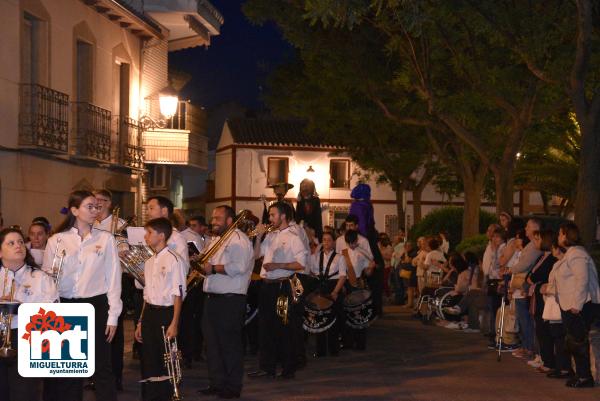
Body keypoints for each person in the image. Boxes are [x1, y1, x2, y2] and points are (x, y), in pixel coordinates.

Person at [42, 190, 121, 401]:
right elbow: (48, 281)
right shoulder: (56, 240)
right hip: (65, 305)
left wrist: (113, 315)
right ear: (75, 210)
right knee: (69, 368)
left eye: (97, 206)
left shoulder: (105, 239)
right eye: (90, 206)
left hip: (96, 306)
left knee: (101, 366)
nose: (95, 210)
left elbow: (113, 279)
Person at [197, 206, 253, 399]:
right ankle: (217, 383)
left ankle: (232, 387)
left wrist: (212, 269)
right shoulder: (216, 240)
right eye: (213, 217)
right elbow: (205, 263)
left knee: (229, 346)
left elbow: (239, 267)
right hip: (212, 299)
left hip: (230, 300)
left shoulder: (239, 240)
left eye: (218, 218)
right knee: (211, 345)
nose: (213, 221)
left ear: (230, 221)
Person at [248, 201, 308, 380]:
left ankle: (289, 368)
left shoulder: (293, 236)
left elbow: (301, 264)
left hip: (283, 287)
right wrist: (258, 237)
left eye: (273, 215)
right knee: (266, 327)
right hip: (267, 286)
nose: (270, 218)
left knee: (284, 327)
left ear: (283, 216)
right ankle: (267, 368)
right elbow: (257, 255)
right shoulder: (271, 235)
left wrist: (278, 265)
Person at [0, 227, 58, 401]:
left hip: (28, 337)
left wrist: (23, 308)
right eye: (11, 243)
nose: (18, 245)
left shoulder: (41, 278)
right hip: (1, 332)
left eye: (20, 242)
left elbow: (53, 313)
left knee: (25, 392)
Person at [134, 217, 187, 401]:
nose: (146, 236)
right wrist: (141, 321)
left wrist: (174, 323)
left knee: (167, 360)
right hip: (149, 313)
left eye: (149, 233)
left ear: (161, 235)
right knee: (148, 359)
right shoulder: (149, 262)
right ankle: (150, 397)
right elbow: (146, 294)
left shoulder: (174, 259)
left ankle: (166, 395)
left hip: (166, 313)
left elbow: (178, 294)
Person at [553, 222, 600, 388]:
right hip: (572, 305)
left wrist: (577, 304)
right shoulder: (571, 253)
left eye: (560, 234)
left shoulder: (577, 253)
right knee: (574, 341)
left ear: (566, 235)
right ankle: (581, 375)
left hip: (580, 305)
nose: (558, 237)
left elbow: (582, 280)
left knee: (578, 342)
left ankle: (585, 377)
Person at [506, 219, 543, 361]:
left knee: (526, 320)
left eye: (528, 226)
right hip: (521, 286)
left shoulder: (534, 246)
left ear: (535, 228)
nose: (526, 229)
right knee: (523, 320)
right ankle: (526, 346)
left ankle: (529, 348)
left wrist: (510, 270)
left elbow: (524, 265)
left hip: (524, 287)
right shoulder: (531, 246)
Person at [308, 231, 346, 357]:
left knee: (334, 319)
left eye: (329, 240)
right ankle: (320, 351)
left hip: (333, 288)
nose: (326, 242)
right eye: (324, 240)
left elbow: (342, 276)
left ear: (333, 242)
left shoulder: (340, 257)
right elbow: (311, 272)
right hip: (321, 288)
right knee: (320, 319)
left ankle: (334, 349)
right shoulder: (315, 257)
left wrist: (335, 291)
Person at [525, 229, 557, 373]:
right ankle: (543, 357)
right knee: (540, 329)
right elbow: (530, 274)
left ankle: (549, 361)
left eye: (538, 240)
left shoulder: (551, 259)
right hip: (536, 296)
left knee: (544, 330)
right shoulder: (541, 257)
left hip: (544, 298)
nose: (535, 242)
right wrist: (531, 278)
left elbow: (537, 276)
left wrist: (532, 279)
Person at [341, 230, 375, 350]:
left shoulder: (362, 253)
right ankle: (348, 342)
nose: (351, 244)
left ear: (357, 240)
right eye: (349, 242)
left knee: (360, 315)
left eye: (353, 242)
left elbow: (368, 272)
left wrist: (371, 268)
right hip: (346, 285)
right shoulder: (342, 253)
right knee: (347, 314)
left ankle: (360, 343)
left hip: (358, 284)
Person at [146, 196, 189, 271]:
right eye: (147, 209)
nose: (147, 212)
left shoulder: (177, 238)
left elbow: (183, 268)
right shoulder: (147, 234)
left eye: (151, 208)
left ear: (164, 211)